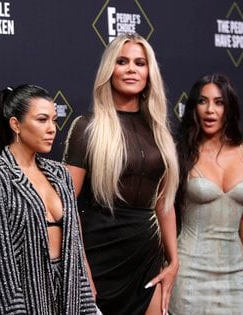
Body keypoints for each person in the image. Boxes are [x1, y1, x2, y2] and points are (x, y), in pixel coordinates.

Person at [63, 33, 179, 315]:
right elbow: (66, 203)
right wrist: (81, 267)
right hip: (98, 256)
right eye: (122, 61)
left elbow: (164, 204)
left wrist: (173, 261)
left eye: (140, 63)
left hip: (146, 257)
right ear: (109, 71)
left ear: (149, 73)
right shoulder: (87, 127)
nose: (131, 69)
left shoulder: (160, 133)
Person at [0, 84, 98, 314]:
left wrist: (87, 305)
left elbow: (75, 251)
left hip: (70, 295)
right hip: (28, 298)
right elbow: (4, 263)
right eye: (42, 120)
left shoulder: (60, 175)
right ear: (15, 124)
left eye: (54, 120)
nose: (52, 129)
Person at [169, 74, 243, 314]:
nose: (210, 110)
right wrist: (171, 264)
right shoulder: (178, 154)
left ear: (229, 107)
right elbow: (164, 211)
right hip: (189, 269)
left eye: (219, 102)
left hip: (237, 271)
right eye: (203, 101)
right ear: (193, 107)